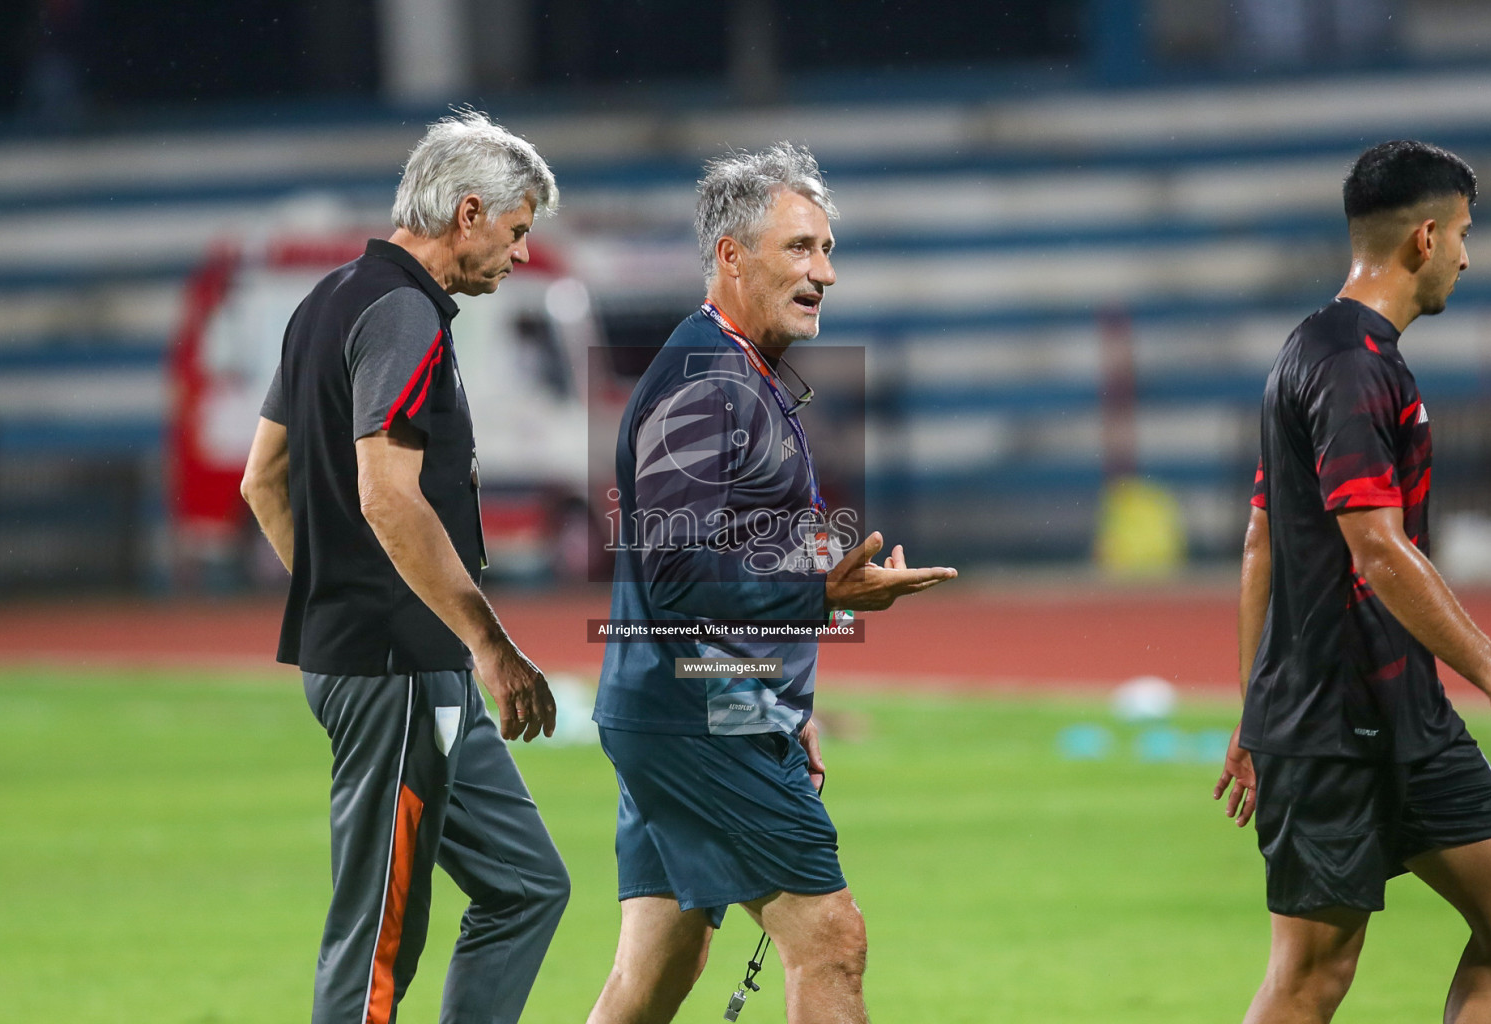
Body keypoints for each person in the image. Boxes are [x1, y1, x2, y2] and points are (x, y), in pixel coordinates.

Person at [587, 143, 959, 1024]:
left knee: (657, 968)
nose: (823, 272)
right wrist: (825, 596)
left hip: (695, 705)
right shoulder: (707, 383)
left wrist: (783, 706)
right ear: (730, 256)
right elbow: (679, 574)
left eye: (827, 250)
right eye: (799, 248)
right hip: (696, 715)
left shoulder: (735, 372)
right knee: (830, 938)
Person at [239, 109, 569, 1024]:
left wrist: (337, 592)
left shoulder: (324, 301)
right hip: (400, 672)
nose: (520, 253)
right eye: (516, 231)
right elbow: (388, 496)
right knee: (378, 937)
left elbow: (261, 478)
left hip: (404, 663)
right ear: (468, 213)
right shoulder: (405, 312)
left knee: (527, 885)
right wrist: (491, 646)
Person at [1215, 139, 1491, 1023]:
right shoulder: (1349, 366)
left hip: (1403, 715)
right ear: (1423, 236)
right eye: (1461, 233)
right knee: (1311, 978)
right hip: (1333, 723)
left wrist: (1253, 704)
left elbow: (1262, 540)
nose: (1464, 255)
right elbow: (1376, 547)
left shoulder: (1317, 350)